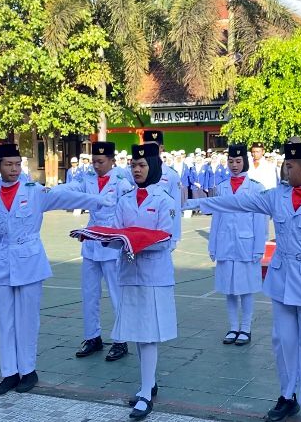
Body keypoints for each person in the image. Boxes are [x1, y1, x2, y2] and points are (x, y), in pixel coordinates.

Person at [184, 142, 301, 422]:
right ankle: (287, 397)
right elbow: (237, 202)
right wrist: (199, 202)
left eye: (290, 165)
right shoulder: (277, 197)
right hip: (282, 282)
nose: (285, 169)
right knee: (283, 343)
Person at [0, 143, 111, 397]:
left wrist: (98, 200)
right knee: (5, 322)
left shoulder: (32, 191)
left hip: (29, 262)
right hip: (3, 265)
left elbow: (64, 197)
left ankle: (28, 371)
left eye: (17, 164)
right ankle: (9, 373)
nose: (13, 169)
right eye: (8, 164)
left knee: (27, 320)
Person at [109, 143, 178, 420]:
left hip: (153, 275)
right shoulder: (124, 200)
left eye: (142, 166)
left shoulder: (164, 201)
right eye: (133, 166)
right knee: (138, 331)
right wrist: (100, 237)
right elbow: (115, 234)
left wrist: (133, 240)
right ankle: (148, 383)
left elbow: (165, 239)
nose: (136, 170)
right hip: (129, 272)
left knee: (148, 335)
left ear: (153, 168)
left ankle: (146, 393)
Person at [67, 142, 134, 362]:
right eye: (94, 161)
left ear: (112, 160)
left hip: (112, 240)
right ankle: (92, 336)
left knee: (116, 292)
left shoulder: (123, 180)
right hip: (91, 239)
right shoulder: (87, 178)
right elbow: (73, 191)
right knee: (89, 292)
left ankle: (120, 339)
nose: (96, 165)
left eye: (100, 161)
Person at [208, 145, 266, 347]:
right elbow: (216, 218)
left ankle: (246, 328)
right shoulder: (222, 187)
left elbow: (260, 220)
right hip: (225, 243)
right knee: (229, 289)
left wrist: (259, 247)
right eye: (231, 161)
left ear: (245, 161)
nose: (234, 165)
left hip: (246, 245)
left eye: (238, 161)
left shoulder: (256, 188)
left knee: (246, 289)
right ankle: (233, 326)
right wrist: (212, 245)